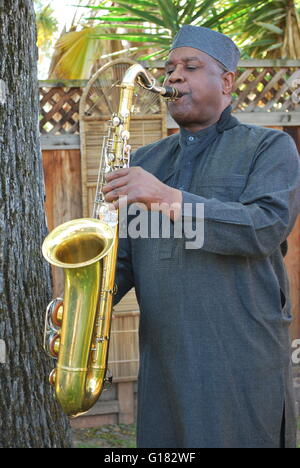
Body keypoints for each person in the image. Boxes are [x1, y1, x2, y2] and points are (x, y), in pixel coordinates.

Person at [102, 25, 300, 448]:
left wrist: (165, 197)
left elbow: (264, 227)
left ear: (227, 82)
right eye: (170, 68)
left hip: (240, 357)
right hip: (165, 361)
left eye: (191, 67)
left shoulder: (269, 148)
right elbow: (125, 259)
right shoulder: (144, 159)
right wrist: (87, 304)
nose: (174, 77)